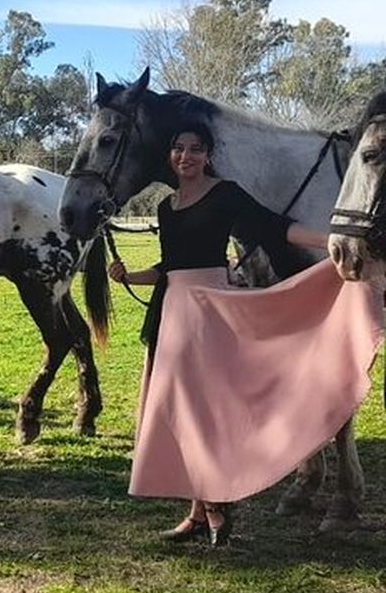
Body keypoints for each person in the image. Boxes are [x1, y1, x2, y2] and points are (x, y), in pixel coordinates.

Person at [108, 123, 380, 545]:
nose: (187, 156)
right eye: (179, 148)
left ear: (208, 154)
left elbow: (273, 227)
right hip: (174, 315)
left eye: (196, 149)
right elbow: (171, 266)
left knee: (208, 413)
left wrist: (332, 240)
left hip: (213, 313)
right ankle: (197, 513)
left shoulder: (226, 194)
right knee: (183, 414)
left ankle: (218, 507)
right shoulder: (166, 207)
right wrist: (130, 276)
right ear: (170, 156)